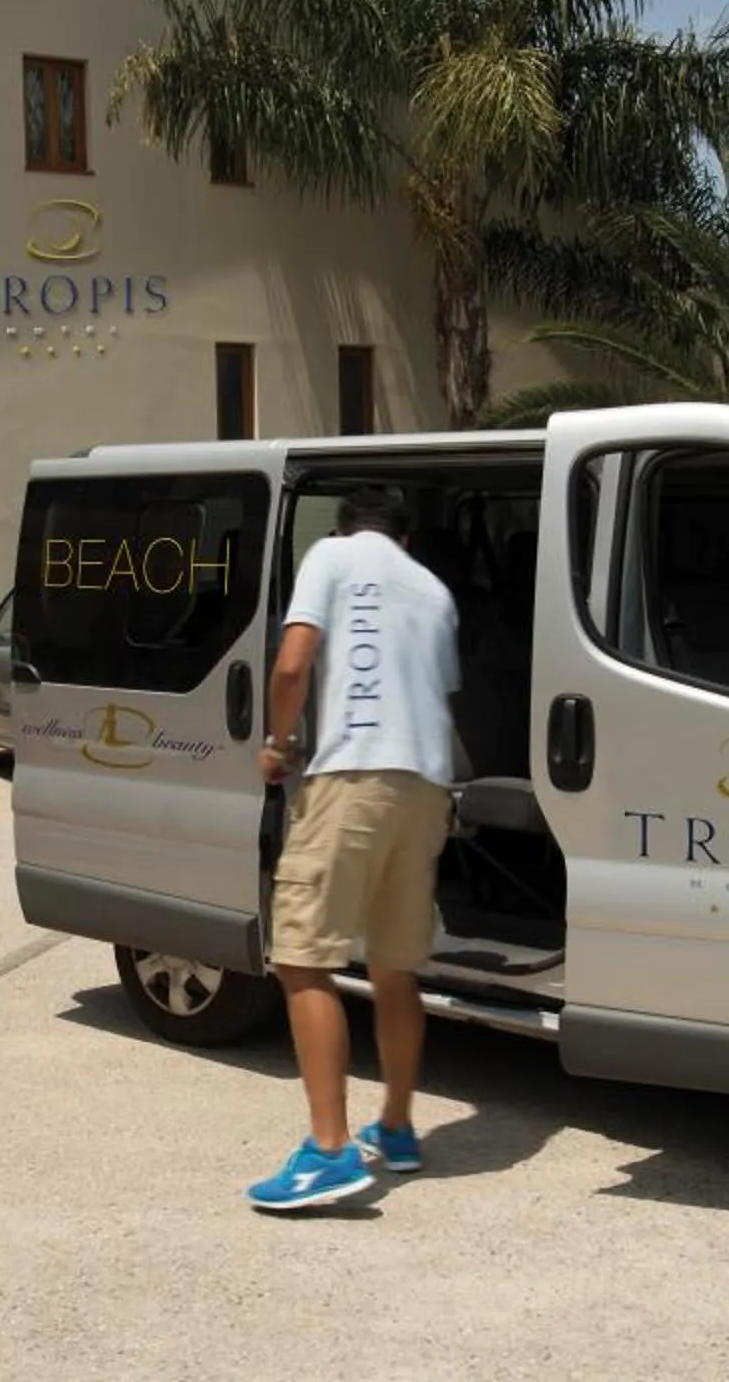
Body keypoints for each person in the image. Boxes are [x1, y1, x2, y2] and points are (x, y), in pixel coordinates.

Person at [247, 488, 463, 1213]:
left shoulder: (332, 556)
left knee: (303, 958)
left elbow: (291, 663)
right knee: (395, 968)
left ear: (347, 528)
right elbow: (441, 695)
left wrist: (278, 745)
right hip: (426, 785)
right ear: (405, 538)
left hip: (350, 778)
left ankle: (331, 1151)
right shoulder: (434, 591)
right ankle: (397, 1128)